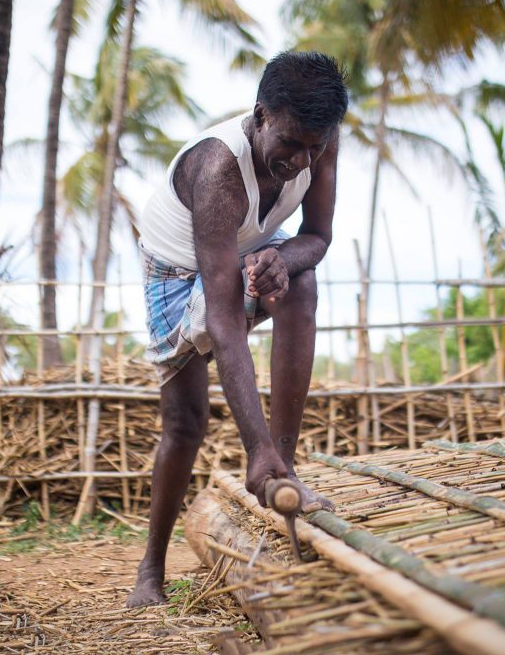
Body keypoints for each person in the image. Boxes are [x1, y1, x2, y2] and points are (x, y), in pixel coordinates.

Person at [126, 51, 348, 607]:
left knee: (301, 284)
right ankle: (149, 573)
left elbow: (317, 237)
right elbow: (223, 318)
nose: (301, 161)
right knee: (184, 423)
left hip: (244, 253)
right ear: (260, 116)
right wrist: (252, 449)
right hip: (174, 272)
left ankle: (286, 464)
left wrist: (285, 260)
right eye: (290, 143)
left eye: (313, 148)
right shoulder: (219, 168)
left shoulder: (321, 141)